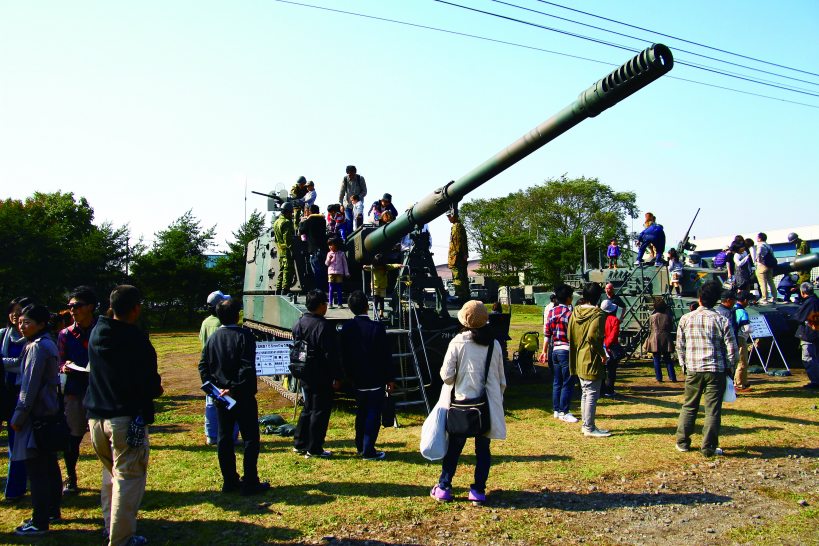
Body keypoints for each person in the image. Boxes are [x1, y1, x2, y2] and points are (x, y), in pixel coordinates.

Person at [85, 285, 163, 546]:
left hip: (96, 418)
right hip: (125, 419)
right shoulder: (136, 340)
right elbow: (150, 384)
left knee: (111, 476)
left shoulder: (98, 332)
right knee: (129, 479)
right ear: (136, 308)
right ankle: (121, 538)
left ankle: (111, 527)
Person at [430, 300, 506, 504]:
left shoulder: (457, 342)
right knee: (483, 450)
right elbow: (501, 379)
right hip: (486, 406)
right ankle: (478, 490)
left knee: (454, 448)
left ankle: (444, 487)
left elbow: (446, 376)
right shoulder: (494, 344)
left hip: (461, 404)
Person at [199, 298, 269, 495]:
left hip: (221, 397)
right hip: (243, 395)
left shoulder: (213, 338)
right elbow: (246, 366)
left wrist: (215, 388)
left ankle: (229, 481)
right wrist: (233, 388)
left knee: (224, 438)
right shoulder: (245, 335)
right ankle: (250, 481)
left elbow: (203, 366)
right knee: (250, 438)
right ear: (237, 315)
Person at [9, 304, 62, 537]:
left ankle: (40, 521)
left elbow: (28, 388)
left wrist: (18, 416)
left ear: (41, 324)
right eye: (20, 322)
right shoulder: (45, 343)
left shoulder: (38, 348)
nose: (22, 326)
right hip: (48, 413)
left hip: (36, 415)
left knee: (37, 470)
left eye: (27, 322)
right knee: (49, 465)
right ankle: (52, 510)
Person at [675, 280, 737, 457]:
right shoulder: (721, 320)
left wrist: (684, 366)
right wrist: (730, 368)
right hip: (716, 369)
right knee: (712, 410)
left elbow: (680, 345)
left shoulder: (686, 318)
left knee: (689, 406)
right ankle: (708, 447)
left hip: (693, 369)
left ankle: (682, 442)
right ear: (717, 300)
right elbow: (732, 349)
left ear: (700, 298)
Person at [340, 291, 397, 460]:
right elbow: (385, 356)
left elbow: (344, 355)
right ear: (367, 305)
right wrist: (390, 378)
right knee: (373, 413)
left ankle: (360, 445)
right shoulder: (377, 328)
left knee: (361, 412)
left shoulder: (347, 328)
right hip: (375, 378)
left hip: (357, 379)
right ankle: (368, 449)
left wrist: (347, 376)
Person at [57, 286, 98, 495]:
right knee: (73, 436)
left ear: (90, 307)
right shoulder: (65, 334)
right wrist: (64, 366)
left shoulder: (101, 330)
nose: (72, 310)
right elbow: (60, 359)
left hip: (99, 390)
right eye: (70, 306)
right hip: (75, 389)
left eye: (77, 306)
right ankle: (71, 475)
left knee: (102, 436)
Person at [292, 290, 343, 458]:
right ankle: (314, 448)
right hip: (321, 372)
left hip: (304, 370)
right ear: (321, 306)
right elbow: (331, 354)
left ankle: (300, 442)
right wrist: (336, 376)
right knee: (319, 410)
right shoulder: (323, 326)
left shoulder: (300, 322)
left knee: (307, 408)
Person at [569, 283, 610, 437]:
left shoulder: (575, 311)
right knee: (592, 393)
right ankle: (589, 427)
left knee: (585, 393)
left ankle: (587, 424)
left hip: (578, 355)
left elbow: (569, 334)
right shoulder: (598, 314)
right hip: (591, 358)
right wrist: (602, 354)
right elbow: (593, 336)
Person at [1, 296, 32, 501]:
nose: (15, 315)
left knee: (16, 445)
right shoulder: (3, 335)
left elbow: (24, 365)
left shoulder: (31, 340)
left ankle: (14, 490)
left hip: (17, 394)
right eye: (13, 310)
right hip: (2, 391)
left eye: (20, 311)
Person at [200, 290, 239, 446]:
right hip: (222, 368)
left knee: (210, 403)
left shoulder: (206, 322)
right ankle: (230, 436)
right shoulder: (219, 325)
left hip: (210, 368)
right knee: (229, 403)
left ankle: (211, 435)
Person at [539, 284, 577, 423]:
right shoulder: (569, 313)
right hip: (566, 350)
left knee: (557, 381)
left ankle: (556, 410)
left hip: (554, 350)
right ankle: (564, 411)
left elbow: (547, 333)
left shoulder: (551, 312)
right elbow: (573, 335)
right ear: (568, 298)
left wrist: (544, 351)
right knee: (568, 381)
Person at [794, 282, 819, 389]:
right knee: (815, 357)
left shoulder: (809, 303)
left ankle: (815, 381)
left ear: (803, 293)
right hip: (816, 333)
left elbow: (799, 317)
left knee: (808, 357)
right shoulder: (816, 300)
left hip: (809, 334)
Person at [362, 254, 403, 320]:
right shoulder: (373, 267)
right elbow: (367, 267)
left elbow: (392, 265)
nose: (379, 267)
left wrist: (398, 265)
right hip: (375, 287)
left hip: (383, 287)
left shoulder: (386, 267)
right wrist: (365, 266)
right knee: (375, 300)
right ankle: (375, 314)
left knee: (381, 300)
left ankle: (381, 314)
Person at [299, 204, 328, 288]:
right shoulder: (323, 220)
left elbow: (302, 231)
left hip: (314, 250)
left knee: (317, 272)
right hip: (323, 249)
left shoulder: (308, 221)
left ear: (310, 211)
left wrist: (301, 222)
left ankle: (319, 290)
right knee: (323, 271)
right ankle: (325, 289)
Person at [647, 299, 677, 383]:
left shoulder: (652, 317)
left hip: (655, 338)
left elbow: (650, 327)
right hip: (666, 337)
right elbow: (671, 327)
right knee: (668, 359)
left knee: (656, 359)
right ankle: (672, 377)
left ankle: (659, 377)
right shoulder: (668, 317)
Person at [447, 206, 470, 302]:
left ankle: (461, 297)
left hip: (456, 259)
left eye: (449, 216)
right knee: (463, 278)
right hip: (459, 258)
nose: (448, 218)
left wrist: (454, 258)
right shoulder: (459, 225)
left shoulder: (456, 226)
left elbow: (457, 244)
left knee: (458, 278)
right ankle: (465, 297)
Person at [272, 202, 296, 295]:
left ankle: (278, 288)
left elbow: (276, 239)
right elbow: (287, 238)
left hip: (280, 248)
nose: (292, 214)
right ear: (287, 212)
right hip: (286, 249)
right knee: (288, 269)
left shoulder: (276, 222)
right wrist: (291, 249)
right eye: (291, 212)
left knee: (282, 269)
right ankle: (285, 289)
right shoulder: (286, 222)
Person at [600, 299, 622, 397]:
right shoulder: (615, 320)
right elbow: (614, 335)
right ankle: (609, 390)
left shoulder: (599, 319)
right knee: (611, 371)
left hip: (600, 347)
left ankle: (601, 389)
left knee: (601, 370)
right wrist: (607, 344)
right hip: (611, 348)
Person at [733, 291, 753, 392]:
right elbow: (747, 328)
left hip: (732, 337)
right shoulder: (742, 311)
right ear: (745, 300)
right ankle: (740, 384)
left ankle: (742, 381)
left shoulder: (732, 309)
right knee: (742, 361)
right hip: (740, 338)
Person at [339, 165, 367, 232]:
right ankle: (350, 240)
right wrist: (341, 204)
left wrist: (357, 198)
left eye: (352, 173)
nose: (350, 175)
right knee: (349, 223)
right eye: (349, 173)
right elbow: (341, 193)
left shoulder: (360, 178)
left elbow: (364, 191)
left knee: (358, 222)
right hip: (348, 205)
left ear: (355, 172)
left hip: (358, 205)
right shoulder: (345, 179)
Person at [325, 237, 350, 309]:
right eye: (329, 245)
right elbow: (326, 264)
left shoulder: (341, 254)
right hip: (331, 273)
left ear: (336, 245)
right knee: (331, 288)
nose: (329, 246)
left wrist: (347, 273)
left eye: (331, 245)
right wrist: (329, 259)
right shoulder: (328, 253)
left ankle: (340, 303)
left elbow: (345, 264)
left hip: (339, 273)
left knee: (339, 289)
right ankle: (330, 303)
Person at [755, 233, 777, 305]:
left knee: (763, 283)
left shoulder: (760, 245)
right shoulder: (768, 245)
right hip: (770, 265)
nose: (757, 238)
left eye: (757, 237)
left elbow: (758, 254)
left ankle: (764, 298)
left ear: (760, 238)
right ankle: (774, 297)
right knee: (771, 282)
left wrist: (757, 260)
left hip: (762, 265)